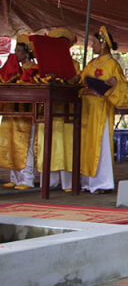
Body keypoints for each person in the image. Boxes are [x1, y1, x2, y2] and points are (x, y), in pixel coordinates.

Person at [78, 26, 128, 193]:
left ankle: (102, 183)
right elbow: (81, 81)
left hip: (100, 110)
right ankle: (87, 182)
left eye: (94, 43)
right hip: (87, 109)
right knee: (86, 145)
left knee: (101, 146)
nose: (92, 46)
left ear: (103, 44)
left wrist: (111, 86)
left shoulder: (112, 64)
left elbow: (121, 87)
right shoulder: (91, 64)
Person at [38, 27, 82, 191]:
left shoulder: (75, 65)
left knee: (66, 148)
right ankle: (48, 182)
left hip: (67, 114)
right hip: (49, 111)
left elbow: (76, 85)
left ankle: (68, 183)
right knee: (47, 147)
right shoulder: (44, 66)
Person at [0, 34, 38, 190]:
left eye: (19, 50)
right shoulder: (13, 67)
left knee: (25, 145)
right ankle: (14, 178)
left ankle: (27, 179)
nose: (16, 53)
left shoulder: (34, 69)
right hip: (11, 110)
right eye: (15, 50)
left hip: (26, 113)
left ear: (27, 52)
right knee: (10, 144)